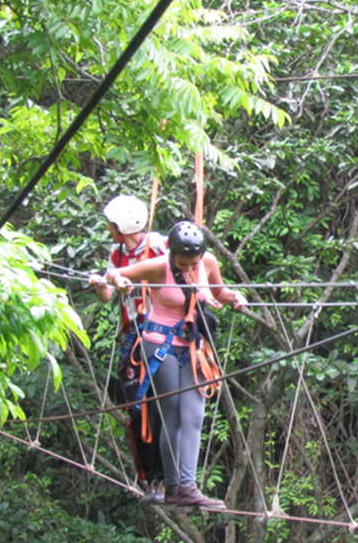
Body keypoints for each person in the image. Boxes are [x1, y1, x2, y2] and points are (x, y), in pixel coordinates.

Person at [106, 220, 247, 509]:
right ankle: (174, 486)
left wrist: (235, 297)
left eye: (193, 263)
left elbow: (218, 292)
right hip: (161, 344)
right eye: (183, 264)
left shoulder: (208, 262)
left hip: (192, 345)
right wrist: (119, 281)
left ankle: (186, 487)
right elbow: (114, 274)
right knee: (172, 414)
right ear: (172, 254)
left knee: (194, 415)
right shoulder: (159, 266)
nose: (188, 269)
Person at [87, 195, 169, 504]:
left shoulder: (158, 245)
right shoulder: (116, 253)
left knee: (163, 406)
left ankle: (168, 479)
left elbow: (183, 271)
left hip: (163, 331)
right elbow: (107, 296)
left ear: (120, 227)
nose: (108, 229)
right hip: (134, 335)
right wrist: (102, 284)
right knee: (137, 408)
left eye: (111, 224)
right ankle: (152, 478)